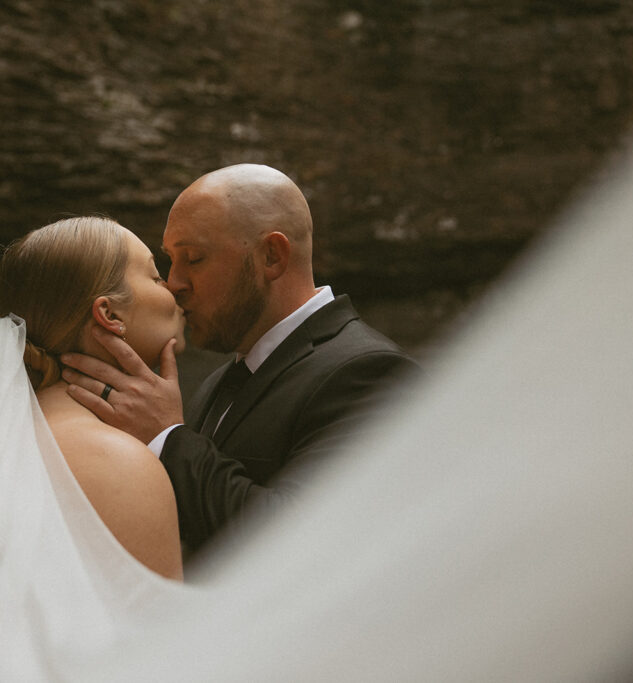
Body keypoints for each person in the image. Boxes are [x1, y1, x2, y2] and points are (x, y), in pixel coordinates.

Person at [62, 164, 419, 553]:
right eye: (169, 260)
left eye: (194, 258)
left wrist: (167, 437)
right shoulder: (219, 381)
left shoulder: (372, 372)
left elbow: (306, 538)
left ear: (272, 256)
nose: (174, 283)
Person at [0, 216, 188, 681]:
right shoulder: (119, 462)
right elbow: (166, 657)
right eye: (155, 275)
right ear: (109, 315)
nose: (175, 288)